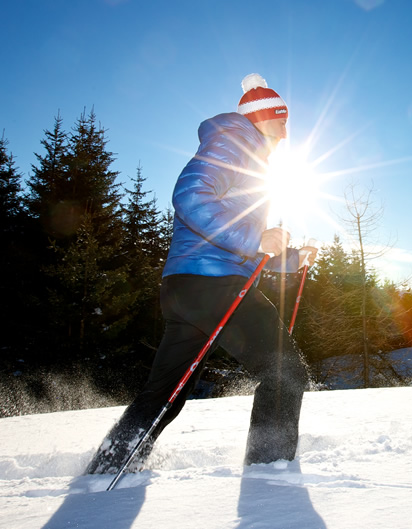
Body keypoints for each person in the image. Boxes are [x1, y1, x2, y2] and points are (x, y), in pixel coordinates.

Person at [86, 73, 318, 474]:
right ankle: (270, 473)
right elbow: (190, 197)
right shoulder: (233, 144)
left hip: (190, 287)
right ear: (263, 118)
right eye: (282, 121)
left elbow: (244, 243)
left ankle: (109, 465)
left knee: (164, 392)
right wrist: (255, 237)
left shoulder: (244, 154)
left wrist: (289, 258)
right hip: (216, 285)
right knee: (285, 373)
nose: (286, 132)